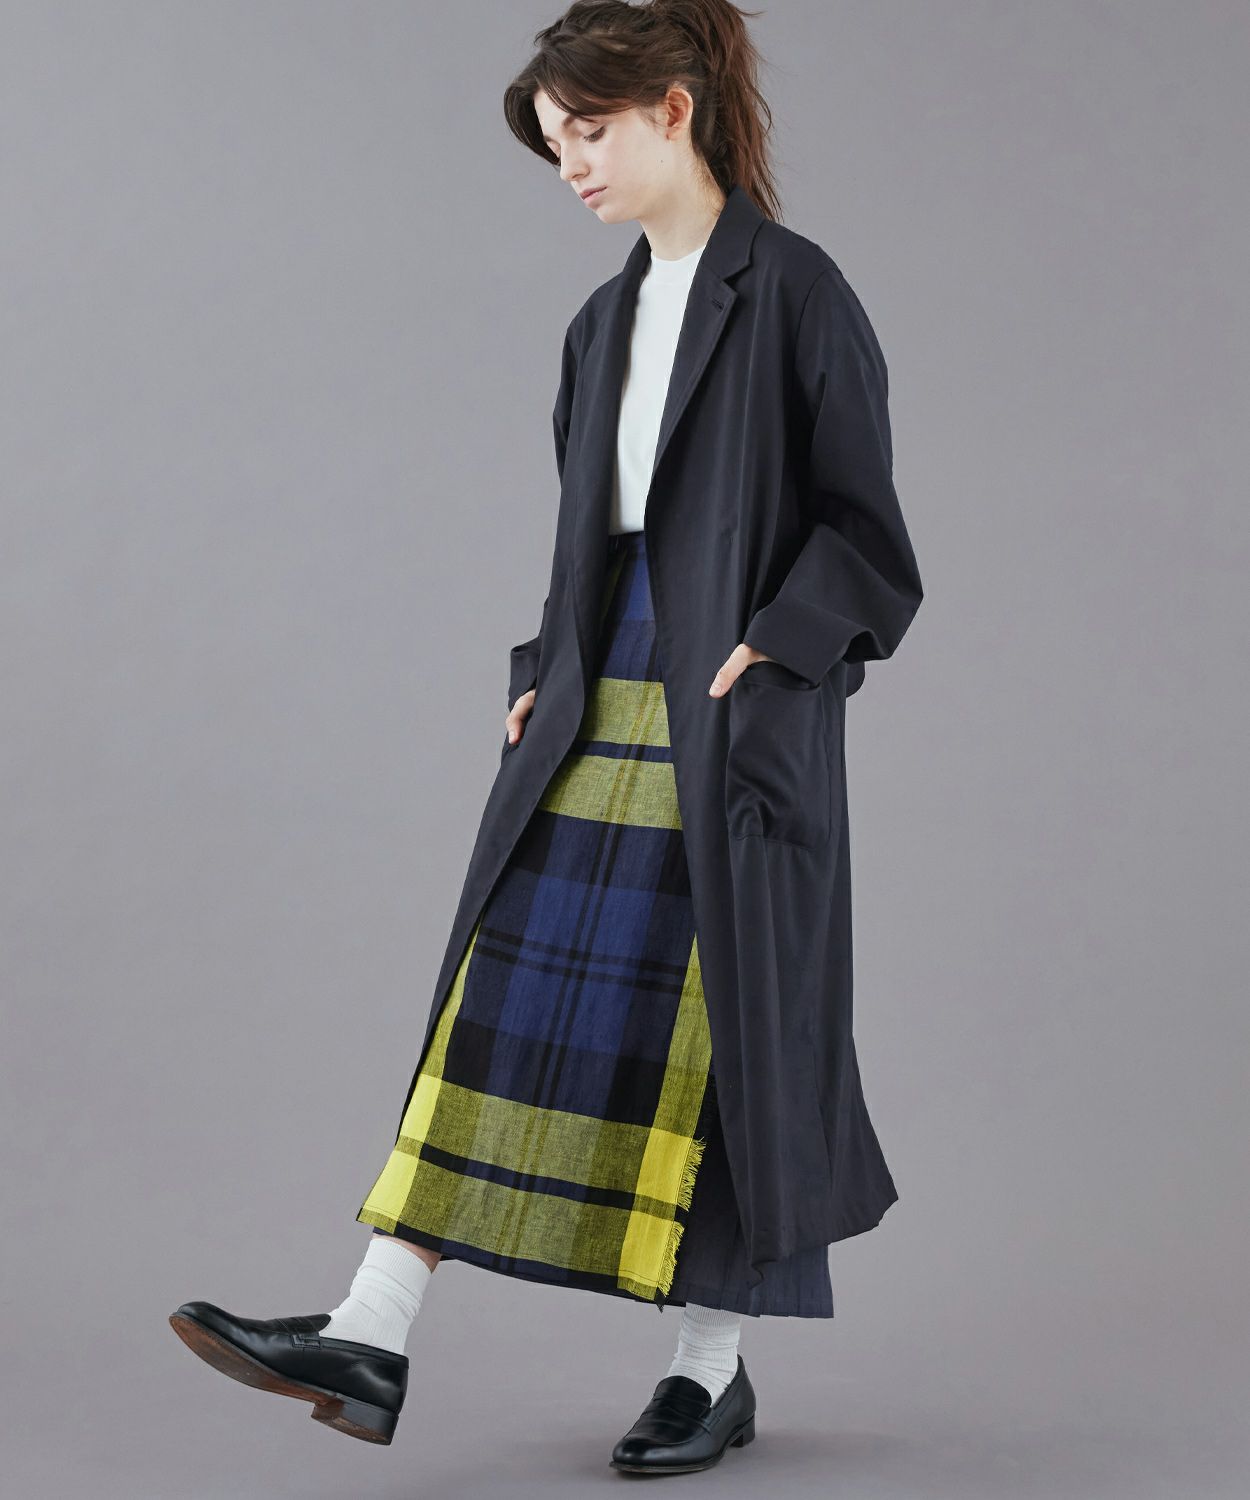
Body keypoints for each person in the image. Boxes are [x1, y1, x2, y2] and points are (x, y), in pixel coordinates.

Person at [169, 0, 923, 1477]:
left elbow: (869, 535)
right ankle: (370, 1328)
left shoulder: (795, 292)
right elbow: (591, 539)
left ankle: (709, 1374)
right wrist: (544, 665)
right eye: (552, 144)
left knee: (714, 1035)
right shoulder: (599, 325)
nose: (567, 164)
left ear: (673, 110)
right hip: (597, 694)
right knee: (500, 998)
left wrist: (779, 645)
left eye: (586, 130)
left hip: (727, 705)